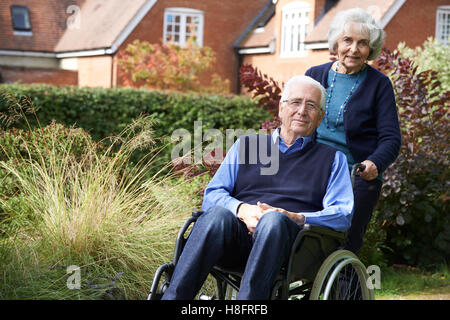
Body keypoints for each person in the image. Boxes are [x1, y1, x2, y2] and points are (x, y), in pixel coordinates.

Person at [161, 76, 354, 300]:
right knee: (216, 216)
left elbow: (342, 213)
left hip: (293, 248)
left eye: (311, 106)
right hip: (237, 240)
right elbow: (213, 194)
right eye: (295, 102)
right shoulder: (247, 145)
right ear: (281, 109)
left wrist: (296, 217)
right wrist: (244, 211)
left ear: (320, 117)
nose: (302, 111)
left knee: (273, 221)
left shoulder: (332, 159)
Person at [305, 8, 401, 255]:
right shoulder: (314, 76)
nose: (354, 49)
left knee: (344, 245)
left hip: (355, 175)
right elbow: (295, 122)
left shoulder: (379, 85)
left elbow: (391, 138)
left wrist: (374, 163)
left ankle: (346, 289)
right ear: (336, 42)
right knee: (299, 233)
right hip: (313, 169)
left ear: (371, 48)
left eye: (363, 43)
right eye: (348, 40)